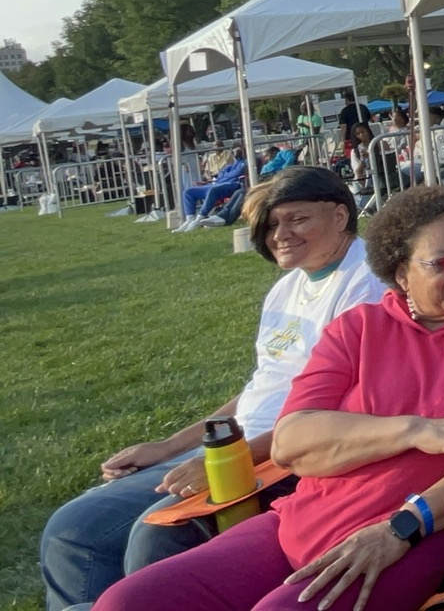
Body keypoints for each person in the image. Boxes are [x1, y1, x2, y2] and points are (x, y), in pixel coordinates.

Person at [92, 186, 444, 611]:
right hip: (305, 521)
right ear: (401, 273)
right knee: (126, 601)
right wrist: (416, 430)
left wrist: (404, 525)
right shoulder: (358, 329)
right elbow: (290, 442)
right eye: (442, 262)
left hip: (441, 527)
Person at [40, 169, 384, 610]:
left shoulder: (366, 285)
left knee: (157, 533)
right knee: (73, 529)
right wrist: (169, 446)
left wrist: (235, 459)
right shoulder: (287, 287)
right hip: (233, 445)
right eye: (272, 224)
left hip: (284, 456)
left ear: (339, 216)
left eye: (297, 219)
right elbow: (262, 386)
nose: (280, 235)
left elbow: (347, 408)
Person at [174, 152, 249, 233]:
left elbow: (238, 172)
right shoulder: (232, 165)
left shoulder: (247, 162)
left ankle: (200, 218)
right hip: (217, 183)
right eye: (234, 150)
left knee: (213, 190)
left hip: (232, 184)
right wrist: (226, 175)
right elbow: (221, 175)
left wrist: (227, 175)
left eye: (238, 150)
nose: (236, 152)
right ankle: (190, 219)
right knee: (188, 192)